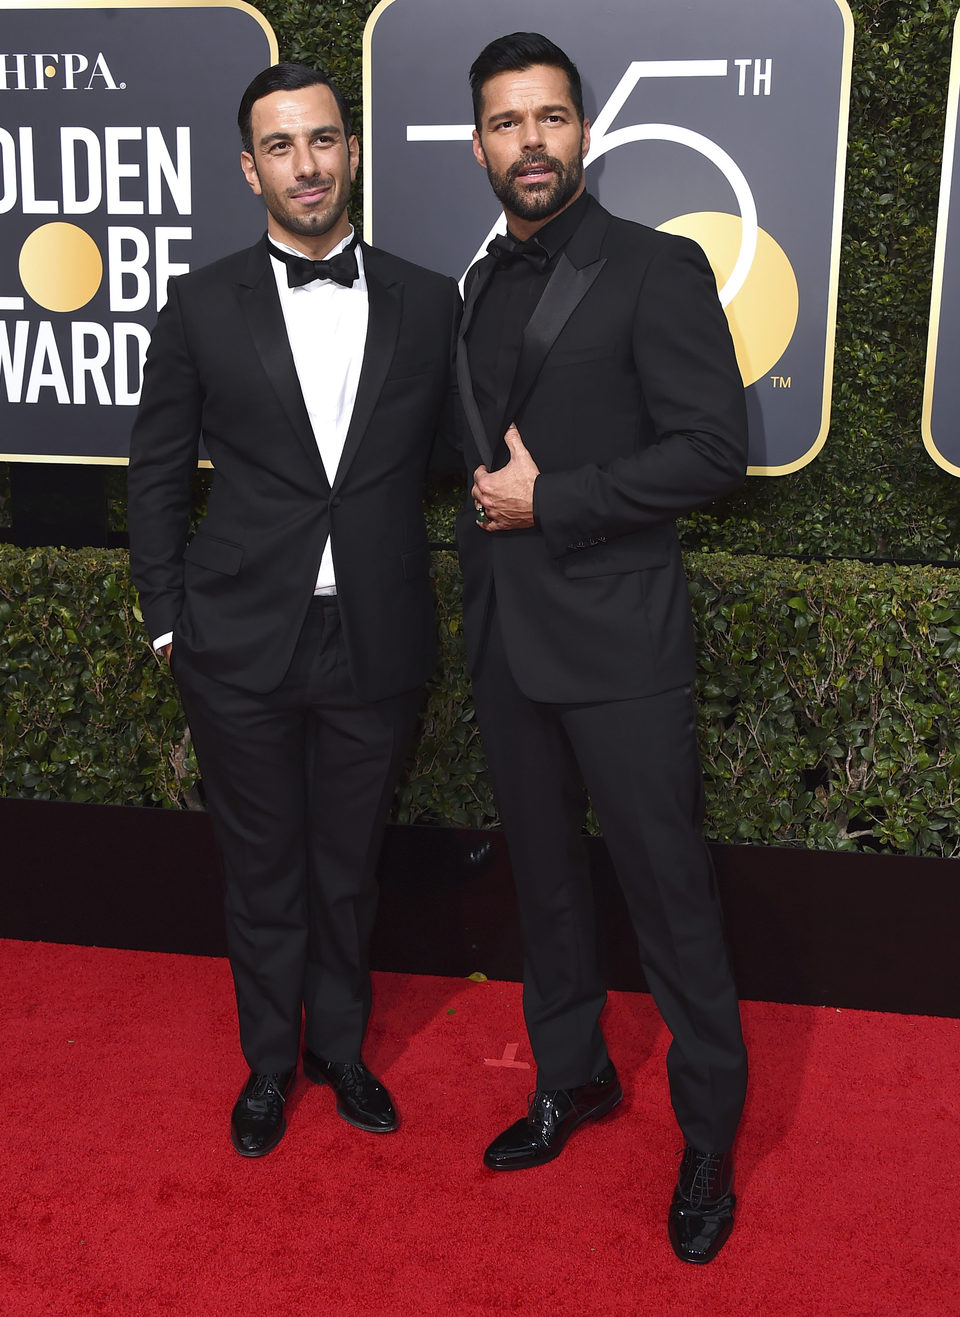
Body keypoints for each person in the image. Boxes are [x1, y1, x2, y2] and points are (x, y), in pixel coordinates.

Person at [127, 63, 458, 1158]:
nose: (306, 165)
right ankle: (270, 1064)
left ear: (351, 151)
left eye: (323, 141)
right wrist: (170, 620)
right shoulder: (198, 302)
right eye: (281, 146)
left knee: (347, 864)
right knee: (264, 868)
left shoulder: (428, 299)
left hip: (374, 634)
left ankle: (342, 1052)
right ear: (249, 167)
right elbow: (157, 476)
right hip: (236, 641)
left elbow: (463, 452)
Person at [456, 33, 749, 1263]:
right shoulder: (476, 285)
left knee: (670, 901)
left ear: (586, 133)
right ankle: (571, 1075)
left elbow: (710, 452)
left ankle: (711, 1138)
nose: (531, 141)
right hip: (507, 642)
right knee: (548, 887)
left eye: (551, 118)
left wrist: (555, 499)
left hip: (622, 643)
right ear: (480, 143)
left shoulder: (656, 266)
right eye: (507, 122)